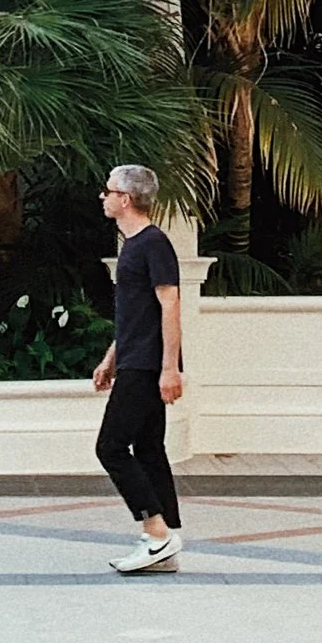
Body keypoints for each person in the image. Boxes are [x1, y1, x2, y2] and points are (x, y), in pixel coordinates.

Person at [91, 163, 182, 573]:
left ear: (125, 199)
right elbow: (135, 314)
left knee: (110, 447)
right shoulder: (133, 245)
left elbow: (171, 306)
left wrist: (169, 369)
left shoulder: (153, 243)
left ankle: (158, 532)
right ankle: (161, 545)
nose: (103, 197)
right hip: (134, 360)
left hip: (147, 366)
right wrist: (110, 359)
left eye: (108, 191)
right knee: (148, 449)